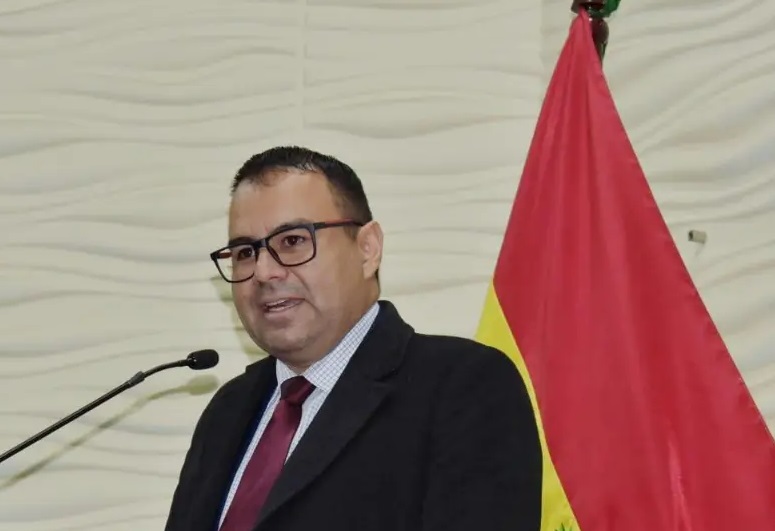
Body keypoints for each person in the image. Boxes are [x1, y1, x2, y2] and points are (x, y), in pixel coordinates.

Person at [164, 146, 542, 531]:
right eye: (245, 252)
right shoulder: (227, 411)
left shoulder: (464, 387)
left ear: (367, 249)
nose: (263, 272)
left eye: (292, 241)